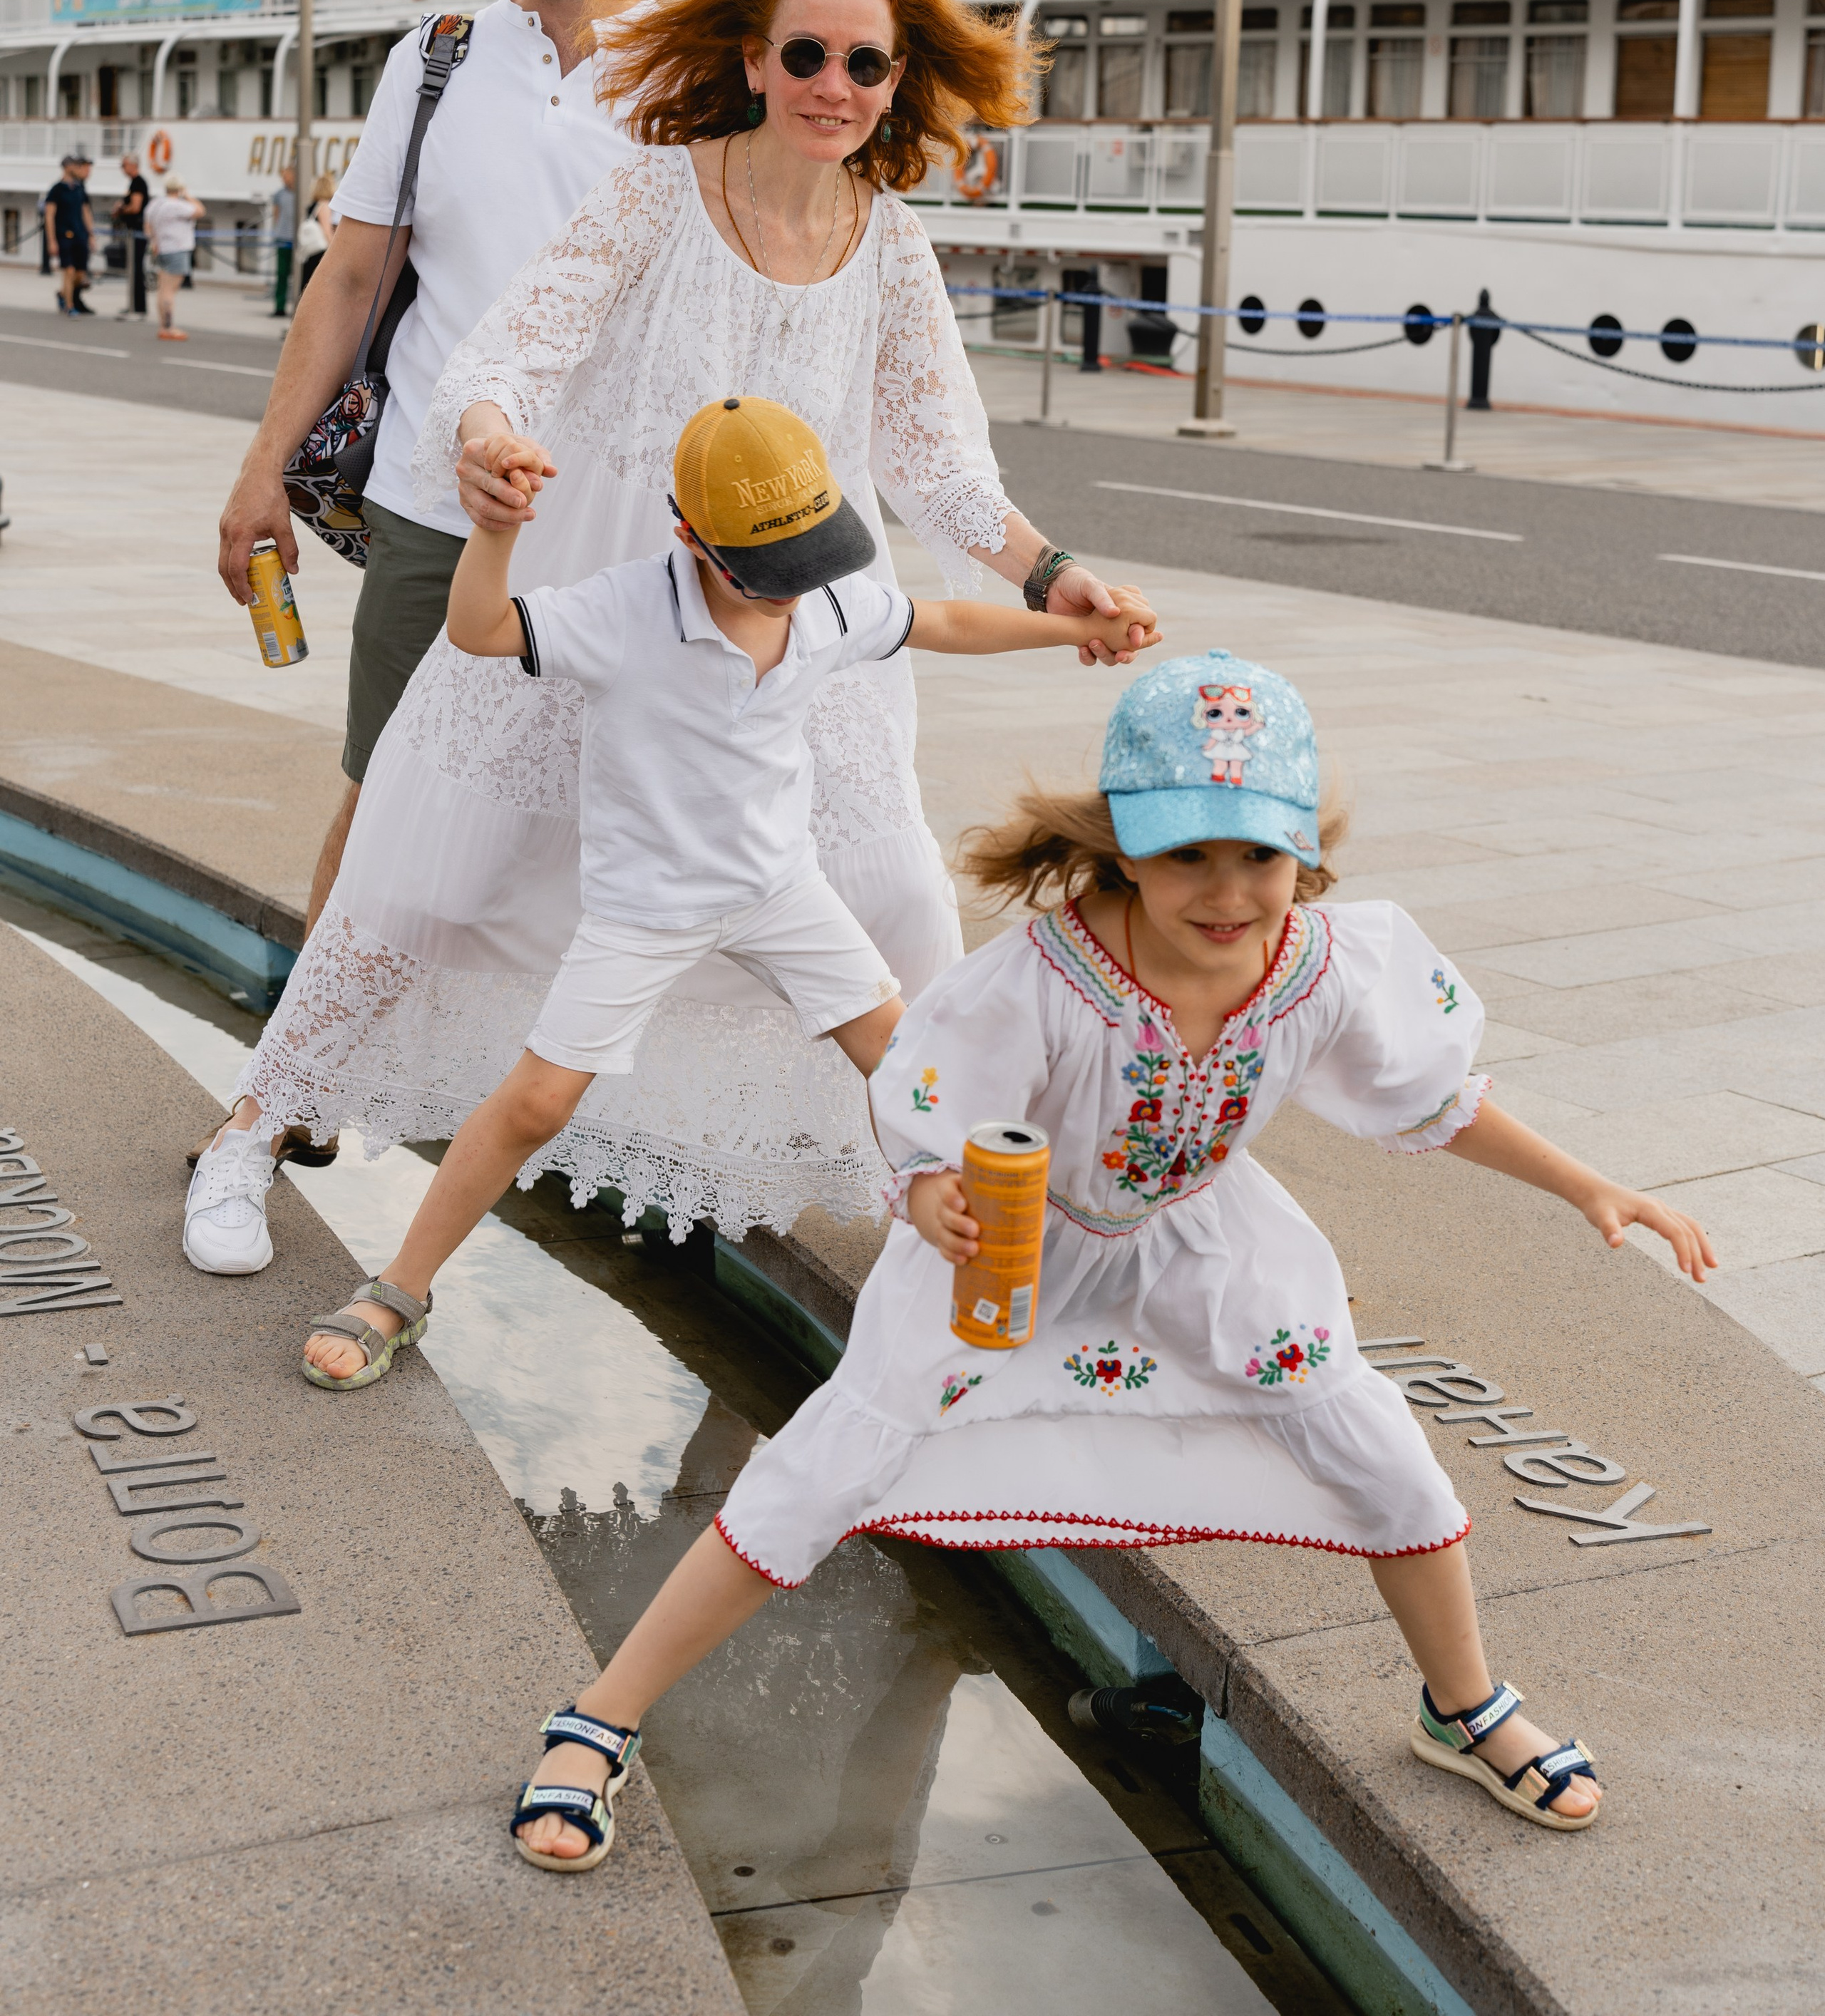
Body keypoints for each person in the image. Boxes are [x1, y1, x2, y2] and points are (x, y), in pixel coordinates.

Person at [505, 651, 1719, 1869]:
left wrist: (1588, 1185)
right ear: (1124, 846)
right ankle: (598, 1717)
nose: (1230, 890)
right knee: (822, 1470)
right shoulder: (1035, 985)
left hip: (1201, 1242)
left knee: (1381, 1452)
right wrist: (930, 1196)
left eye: (1260, 853)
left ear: (1305, 848)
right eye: (1190, 852)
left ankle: (1463, 1707)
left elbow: (1434, 1099)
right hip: (1014, 1254)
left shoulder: (1327, 966)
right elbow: (923, 1114)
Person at [191, 0, 1152, 1275]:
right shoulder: (656, 190)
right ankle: (253, 1131)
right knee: (424, 883)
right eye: (808, 54)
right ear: (756, 62)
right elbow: (504, 354)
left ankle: (964, 1233)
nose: (836, 85)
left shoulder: (893, 246)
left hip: (797, 630)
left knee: (896, 907)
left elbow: (941, 470)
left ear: (895, 85)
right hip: (598, 590)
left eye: (864, 66)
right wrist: (490, 447)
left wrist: (1061, 581)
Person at [281, 396, 1158, 1353]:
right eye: (765, 572)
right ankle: (399, 1292)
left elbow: (939, 619)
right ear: (689, 537)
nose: (790, 591)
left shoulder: (826, 600)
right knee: (536, 1101)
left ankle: (1040, 1267)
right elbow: (482, 629)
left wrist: (1074, 628)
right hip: (643, 909)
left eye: (807, 564)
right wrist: (495, 529)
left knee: (913, 1067)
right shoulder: (624, 611)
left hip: (781, 890)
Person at [213, 0, 652, 953]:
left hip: (614, 532)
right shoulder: (439, 57)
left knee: (604, 824)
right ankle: (292, 1100)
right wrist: (263, 472)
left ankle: (560, 1125)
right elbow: (350, 281)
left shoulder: (696, 75)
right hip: (428, 505)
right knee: (387, 794)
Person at [145, 178, 205, 339]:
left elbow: (148, 226)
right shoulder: (177, 205)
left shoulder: (155, 204)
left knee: (162, 288)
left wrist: (154, 241)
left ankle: (163, 325)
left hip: (162, 248)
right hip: (177, 249)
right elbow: (200, 211)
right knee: (170, 290)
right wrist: (188, 196)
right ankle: (169, 326)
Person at [43, 155, 94, 315]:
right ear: (67, 167)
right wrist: (51, 240)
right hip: (64, 234)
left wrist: (91, 234)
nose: (78, 168)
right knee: (69, 270)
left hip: (80, 234)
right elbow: (49, 215)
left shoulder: (79, 188)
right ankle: (70, 306)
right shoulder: (57, 189)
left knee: (80, 274)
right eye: (75, 165)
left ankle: (62, 293)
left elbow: (86, 212)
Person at [113, 153, 151, 321]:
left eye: (123, 165)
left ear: (132, 165)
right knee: (133, 269)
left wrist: (121, 209)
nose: (122, 169)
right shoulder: (135, 183)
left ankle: (138, 309)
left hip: (137, 233)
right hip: (134, 233)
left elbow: (135, 208)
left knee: (136, 270)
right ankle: (133, 306)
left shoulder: (138, 183)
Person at [294, 170, 336, 297]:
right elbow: (327, 230)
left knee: (307, 284)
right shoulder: (324, 205)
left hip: (310, 252)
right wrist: (334, 250)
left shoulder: (312, 206)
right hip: (320, 251)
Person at [270, 163, 298, 318]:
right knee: (281, 274)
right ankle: (279, 306)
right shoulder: (279, 194)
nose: (283, 179)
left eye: (285, 176)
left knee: (300, 275)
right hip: (283, 238)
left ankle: (298, 307)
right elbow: (276, 215)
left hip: (298, 240)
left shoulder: (302, 193)